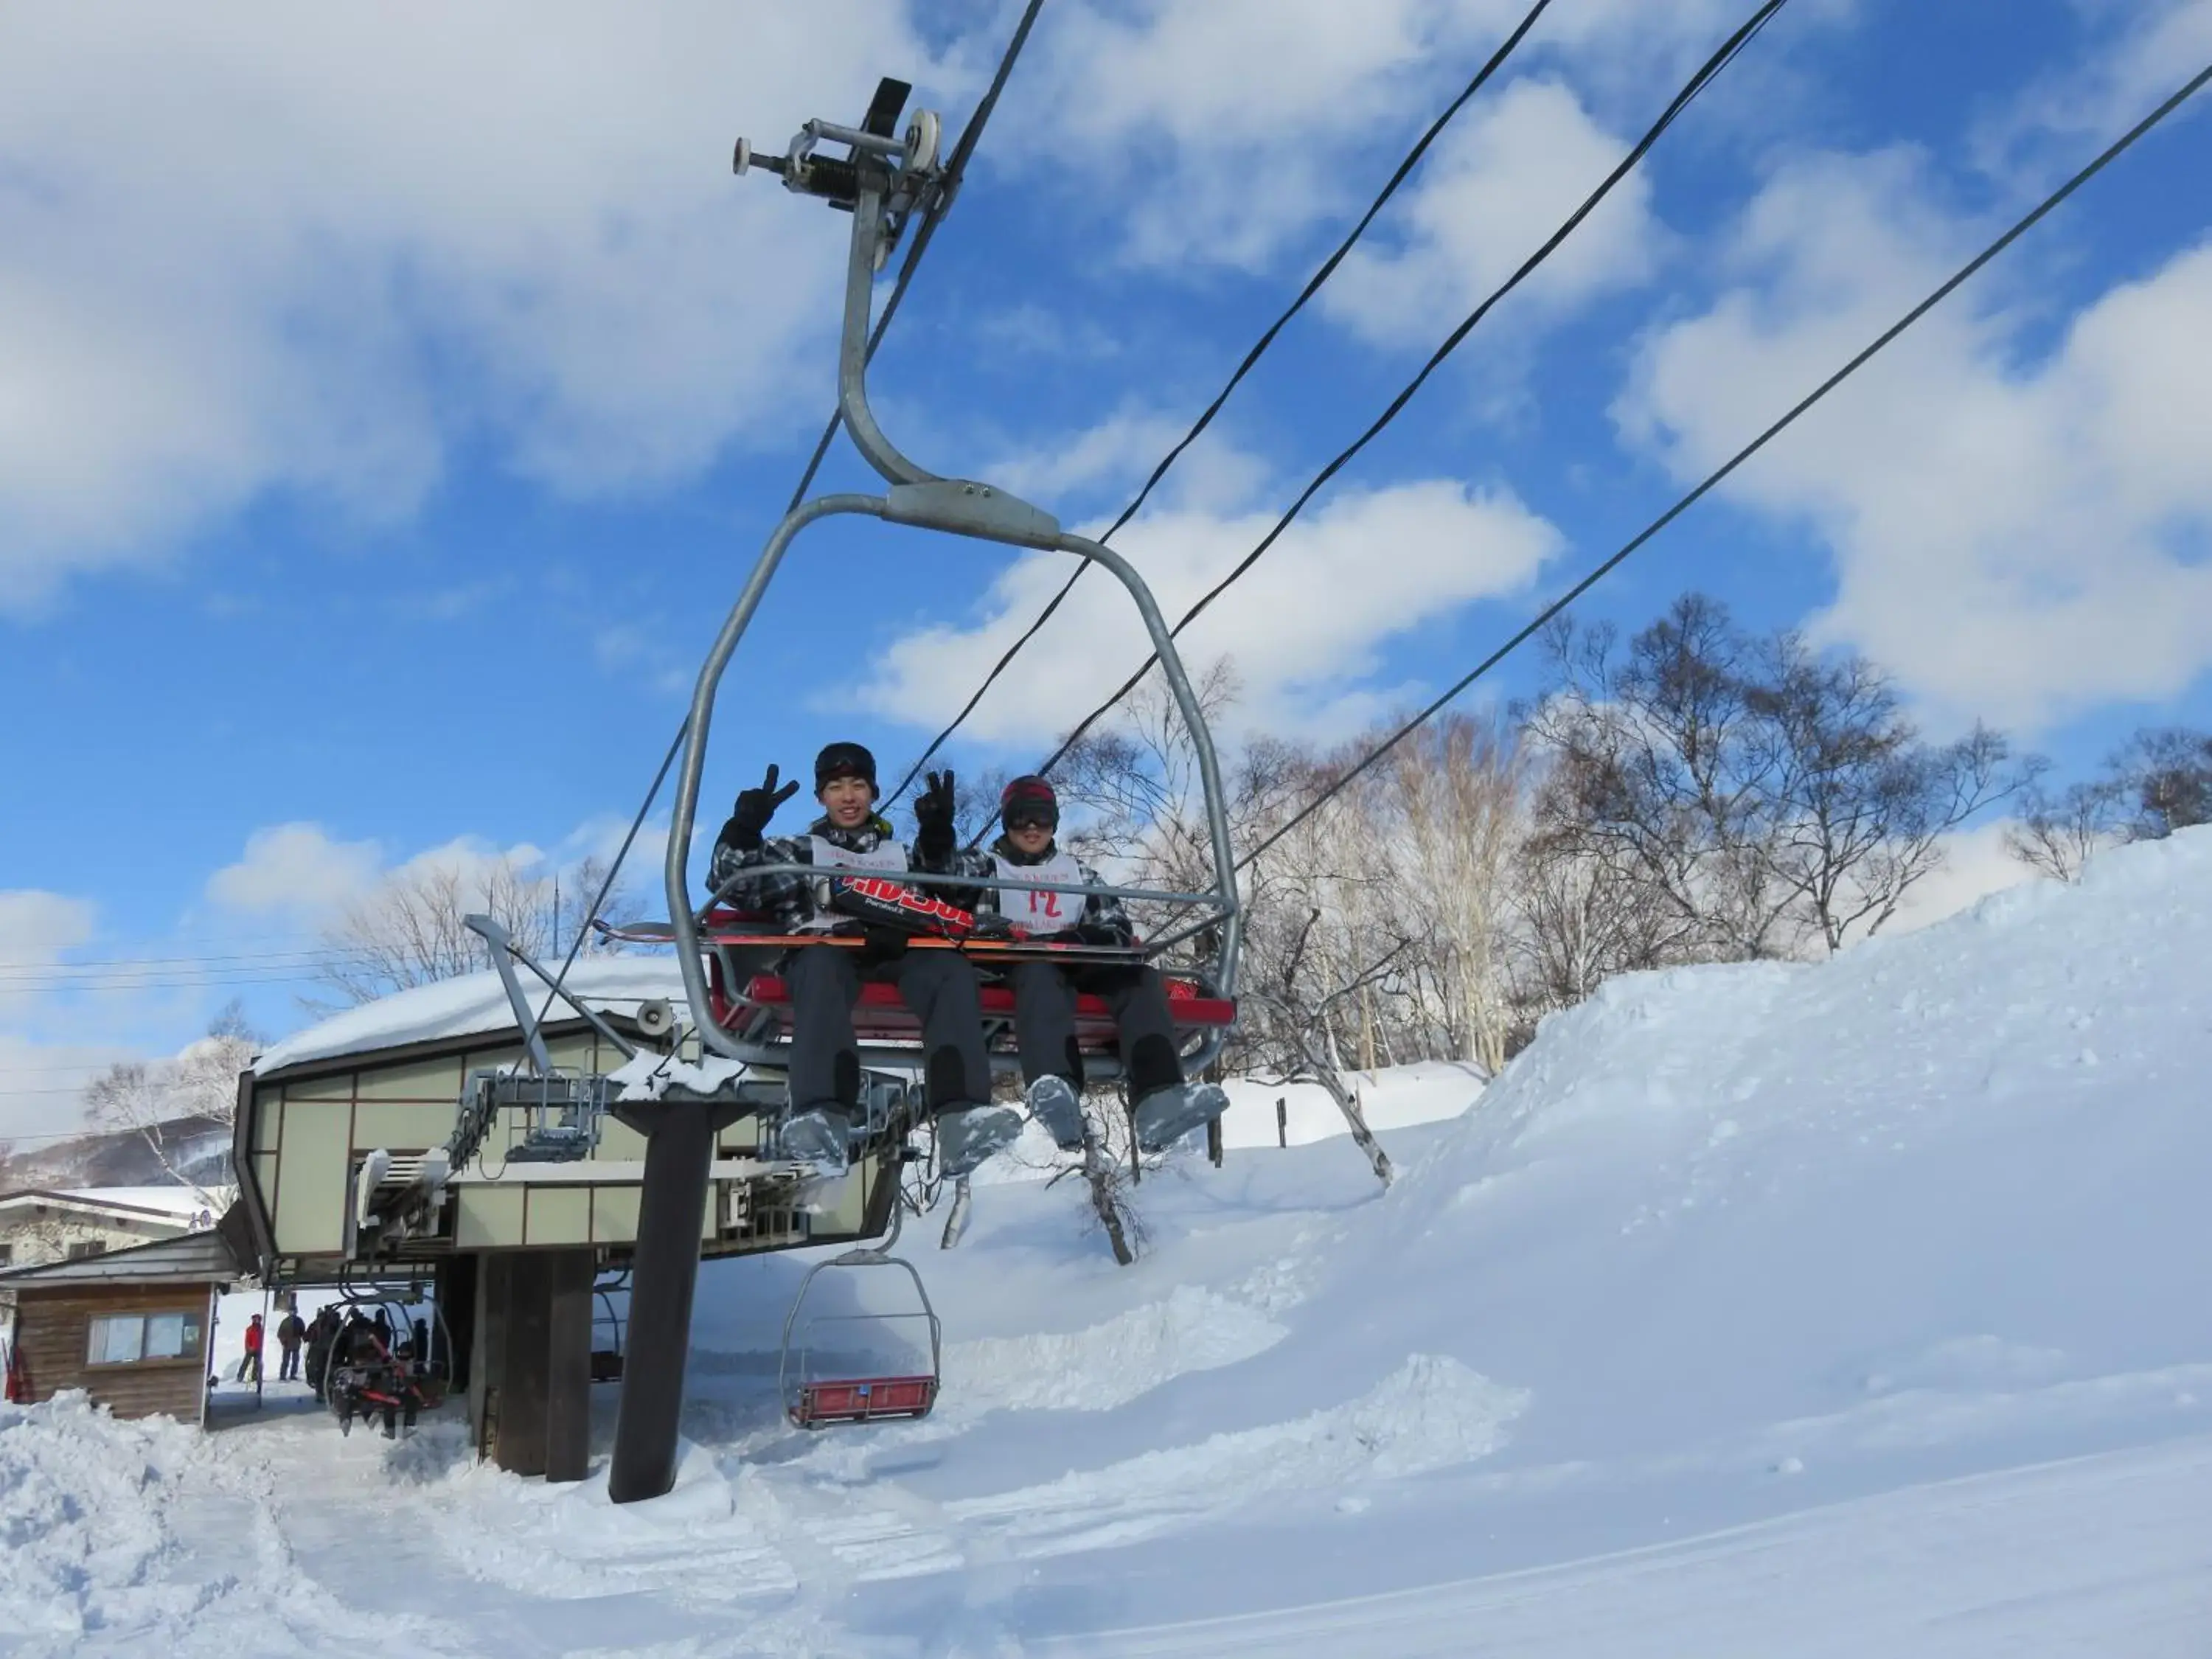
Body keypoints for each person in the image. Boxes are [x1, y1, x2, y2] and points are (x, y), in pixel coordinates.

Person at [708, 740, 1017, 1178]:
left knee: (949, 969)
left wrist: (937, 837)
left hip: (898, 952)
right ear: (822, 797)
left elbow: (959, 889)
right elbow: (729, 880)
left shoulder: (901, 857)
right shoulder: (799, 852)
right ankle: (823, 1116)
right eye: (836, 787)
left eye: (857, 785)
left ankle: (960, 1117)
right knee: (818, 968)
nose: (848, 797)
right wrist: (743, 828)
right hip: (825, 950)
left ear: (872, 792)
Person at [977, 776, 1228, 1153]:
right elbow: (957, 904)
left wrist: (1084, 940)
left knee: (1140, 978)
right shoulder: (986, 870)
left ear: (1054, 823)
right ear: (1006, 822)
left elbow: (1115, 925)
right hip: (1015, 967)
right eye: (1021, 819)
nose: (1031, 828)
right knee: (1039, 974)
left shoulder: (1077, 874)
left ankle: (1158, 1094)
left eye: (1041, 819)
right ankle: (1055, 1086)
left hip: (1078, 963)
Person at [275, 1307, 306, 1382]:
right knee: (285, 1361)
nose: (292, 1313)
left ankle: (293, 1375)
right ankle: (283, 1376)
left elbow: (303, 1331)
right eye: (291, 1312)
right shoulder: (285, 1322)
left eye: (294, 1312)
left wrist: (302, 1336)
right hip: (287, 1344)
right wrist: (283, 1341)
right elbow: (280, 1333)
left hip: (296, 1343)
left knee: (295, 1361)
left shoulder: (299, 1321)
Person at [234, 1312, 264, 1385]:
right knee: (245, 1363)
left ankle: (254, 1378)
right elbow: (247, 1340)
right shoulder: (250, 1329)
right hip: (250, 1349)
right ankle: (240, 1376)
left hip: (258, 1349)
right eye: (255, 1319)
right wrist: (248, 1348)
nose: (256, 1321)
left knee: (257, 1364)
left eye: (257, 1319)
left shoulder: (261, 1329)